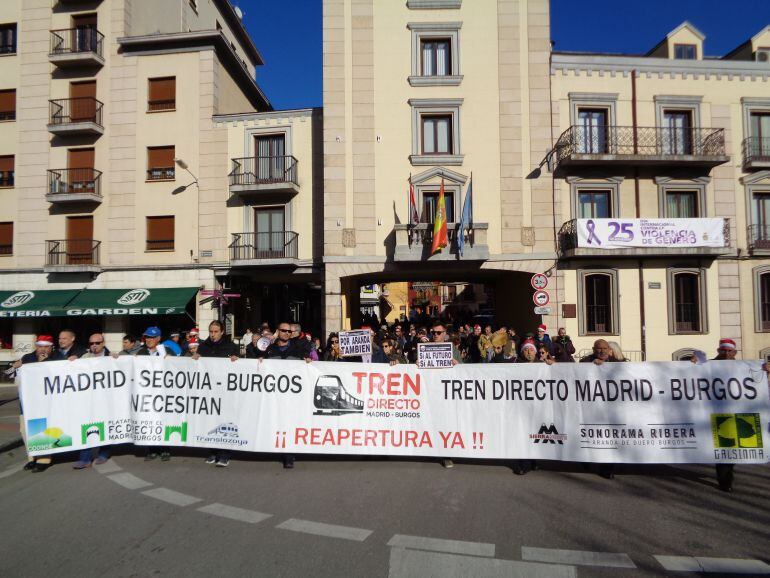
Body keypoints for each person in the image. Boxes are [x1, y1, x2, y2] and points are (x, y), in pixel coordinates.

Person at [266, 321, 312, 469]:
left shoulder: (298, 349)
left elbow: (307, 364)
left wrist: (308, 361)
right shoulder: (270, 349)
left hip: (292, 396)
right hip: (274, 395)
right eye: (284, 331)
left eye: (289, 331)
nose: (287, 333)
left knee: (289, 424)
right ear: (277, 331)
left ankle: (289, 455)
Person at [195, 320, 239, 467]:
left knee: (224, 422)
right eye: (211, 332)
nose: (213, 335)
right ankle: (212, 451)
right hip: (208, 390)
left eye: (215, 332)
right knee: (210, 421)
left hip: (225, 391)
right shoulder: (203, 346)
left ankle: (225, 454)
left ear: (221, 332)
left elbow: (240, 367)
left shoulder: (231, 346)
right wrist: (195, 359)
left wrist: (236, 359)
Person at [14, 335, 54, 473]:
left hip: (44, 401)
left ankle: (44, 459)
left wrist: (44, 362)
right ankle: (32, 458)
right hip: (26, 400)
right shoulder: (27, 358)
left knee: (41, 428)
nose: (42, 349)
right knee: (25, 430)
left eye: (46, 346)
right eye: (40, 346)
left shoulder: (56, 358)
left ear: (51, 347)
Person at [74, 333, 112, 469]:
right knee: (86, 427)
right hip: (88, 399)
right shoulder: (84, 358)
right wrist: (72, 361)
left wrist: (118, 360)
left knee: (105, 426)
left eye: (97, 343)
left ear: (103, 343)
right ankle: (85, 458)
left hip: (105, 399)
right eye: (91, 343)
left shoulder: (111, 357)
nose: (94, 346)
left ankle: (104, 453)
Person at [713, 338, 738, 492]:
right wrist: (693, 361)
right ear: (718, 351)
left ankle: (726, 480)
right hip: (711, 412)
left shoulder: (744, 367)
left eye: (729, 351)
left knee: (727, 448)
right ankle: (724, 479)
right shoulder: (708, 364)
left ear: (735, 353)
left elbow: (757, 377)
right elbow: (690, 370)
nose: (726, 353)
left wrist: (765, 369)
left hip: (733, 413)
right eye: (723, 350)